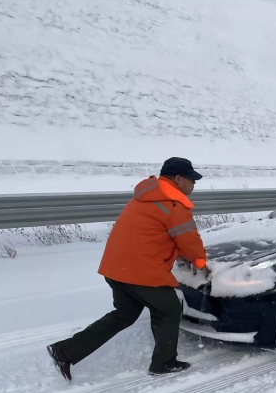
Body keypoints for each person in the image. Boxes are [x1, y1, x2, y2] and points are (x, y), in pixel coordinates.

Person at [46, 157, 210, 381]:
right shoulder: (173, 203)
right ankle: (164, 363)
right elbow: (188, 240)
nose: (194, 184)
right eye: (192, 179)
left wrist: (180, 255)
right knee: (169, 309)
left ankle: (65, 351)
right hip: (140, 271)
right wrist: (201, 264)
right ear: (178, 179)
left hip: (116, 268)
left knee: (124, 314)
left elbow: (154, 234)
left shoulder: (147, 195)